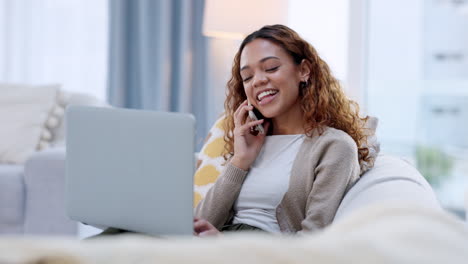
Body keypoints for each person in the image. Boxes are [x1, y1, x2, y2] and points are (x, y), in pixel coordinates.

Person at [193, 24, 373, 236]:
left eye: (270, 68)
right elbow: (201, 223)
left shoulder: (334, 146)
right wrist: (240, 161)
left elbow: (312, 241)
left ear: (304, 70)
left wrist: (227, 247)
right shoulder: (251, 141)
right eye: (247, 77)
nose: (258, 80)